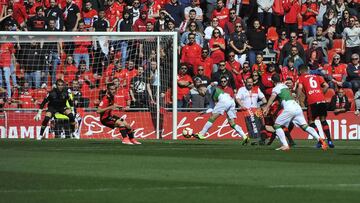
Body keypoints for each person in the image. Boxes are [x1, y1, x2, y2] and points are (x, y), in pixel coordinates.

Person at [263, 73, 328, 151]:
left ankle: (285, 145)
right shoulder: (285, 86)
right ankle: (320, 139)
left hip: (290, 108)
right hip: (297, 107)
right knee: (305, 126)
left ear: (273, 81)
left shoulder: (276, 88)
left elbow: (271, 98)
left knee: (277, 125)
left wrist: (266, 108)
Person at [297, 65, 334, 148]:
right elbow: (327, 86)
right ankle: (330, 141)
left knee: (310, 121)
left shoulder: (301, 77)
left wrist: (297, 98)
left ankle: (320, 141)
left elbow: (300, 87)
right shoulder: (317, 76)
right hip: (321, 99)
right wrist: (320, 93)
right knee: (323, 120)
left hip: (312, 101)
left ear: (300, 71)